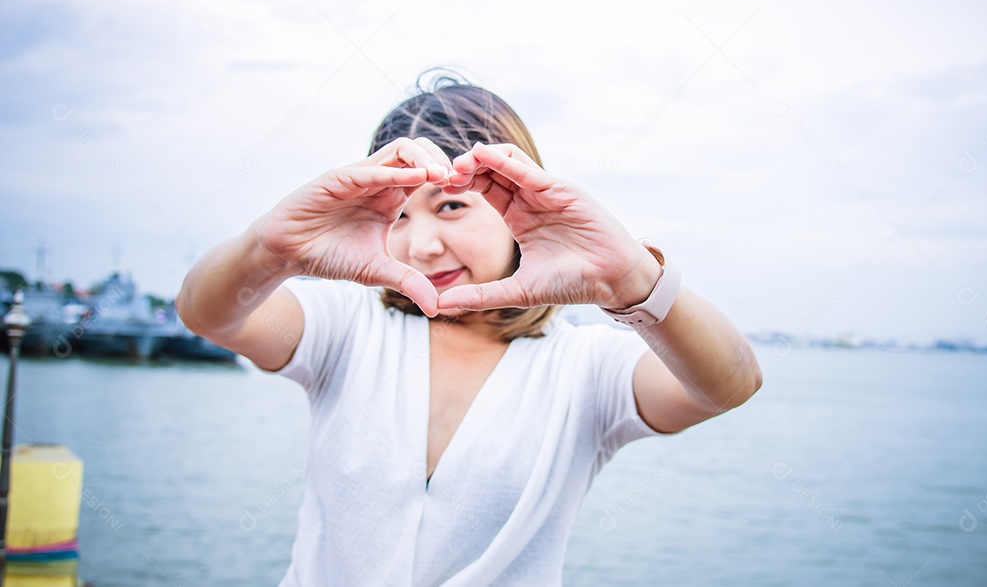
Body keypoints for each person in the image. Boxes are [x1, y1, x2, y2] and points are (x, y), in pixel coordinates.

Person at [176, 73, 763, 586]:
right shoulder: (346, 328)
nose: (422, 245)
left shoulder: (585, 368)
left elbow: (729, 383)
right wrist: (269, 248)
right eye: (398, 214)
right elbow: (209, 314)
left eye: (451, 206)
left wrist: (633, 277)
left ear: (517, 206)